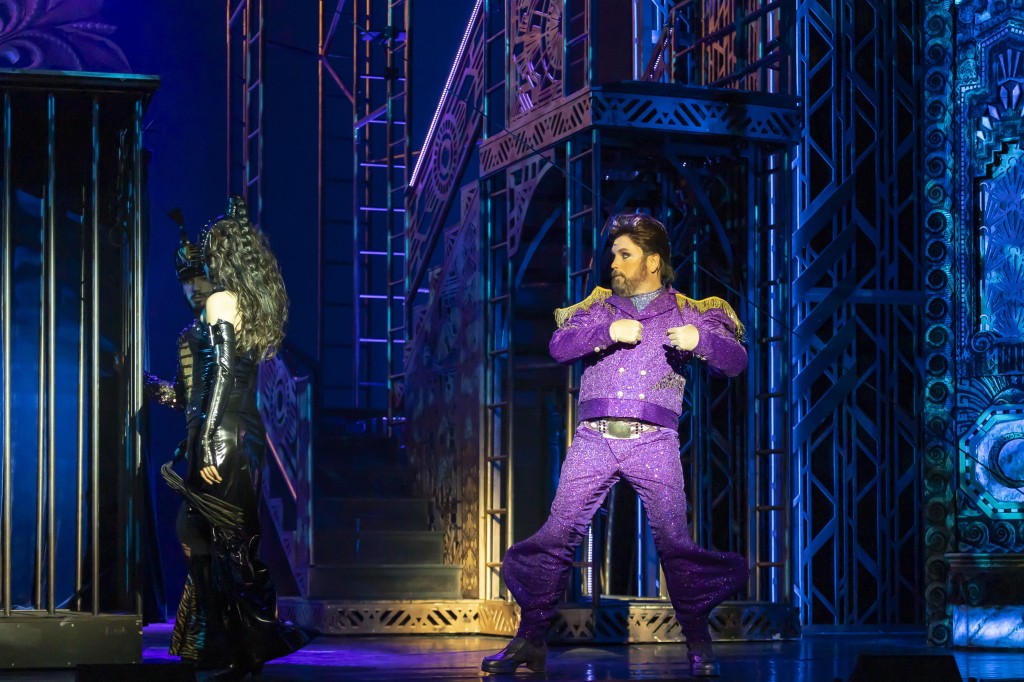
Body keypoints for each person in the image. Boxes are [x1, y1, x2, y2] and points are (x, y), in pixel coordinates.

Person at [481, 213, 749, 678]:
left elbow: (737, 361)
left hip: (655, 441)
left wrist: (701, 340)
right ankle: (530, 639)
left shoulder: (691, 311)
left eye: (625, 254)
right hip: (594, 438)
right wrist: (606, 333)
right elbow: (559, 346)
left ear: (653, 261)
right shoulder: (600, 308)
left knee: (674, 542)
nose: (614, 263)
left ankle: (699, 644)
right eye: (614, 254)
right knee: (558, 535)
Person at [161, 196, 309, 680]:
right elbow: (214, 379)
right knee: (227, 543)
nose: (203, 265)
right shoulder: (239, 302)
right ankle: (239, 649)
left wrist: (206, 442)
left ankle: (252, 646)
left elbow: (222, 374)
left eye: (208, 254)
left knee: (229, 545)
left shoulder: (221, 301)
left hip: (224, 435)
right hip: (238, 433)